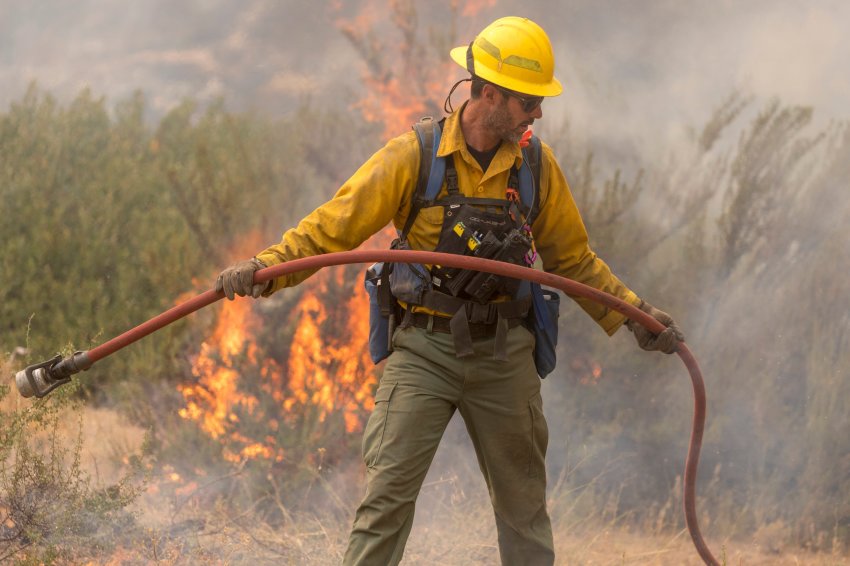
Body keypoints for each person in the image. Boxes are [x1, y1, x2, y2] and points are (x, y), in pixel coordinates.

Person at [215, 16, 683, 566]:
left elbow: (574, 260)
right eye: (529, 101)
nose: (539, 112)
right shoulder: (414, 156)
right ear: (490, 93)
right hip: (424, 350)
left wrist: (636, 316)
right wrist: (264, 268)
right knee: (385, 502)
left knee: (525, 514)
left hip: (506, 355)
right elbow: (333, 227)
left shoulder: (536, 166)